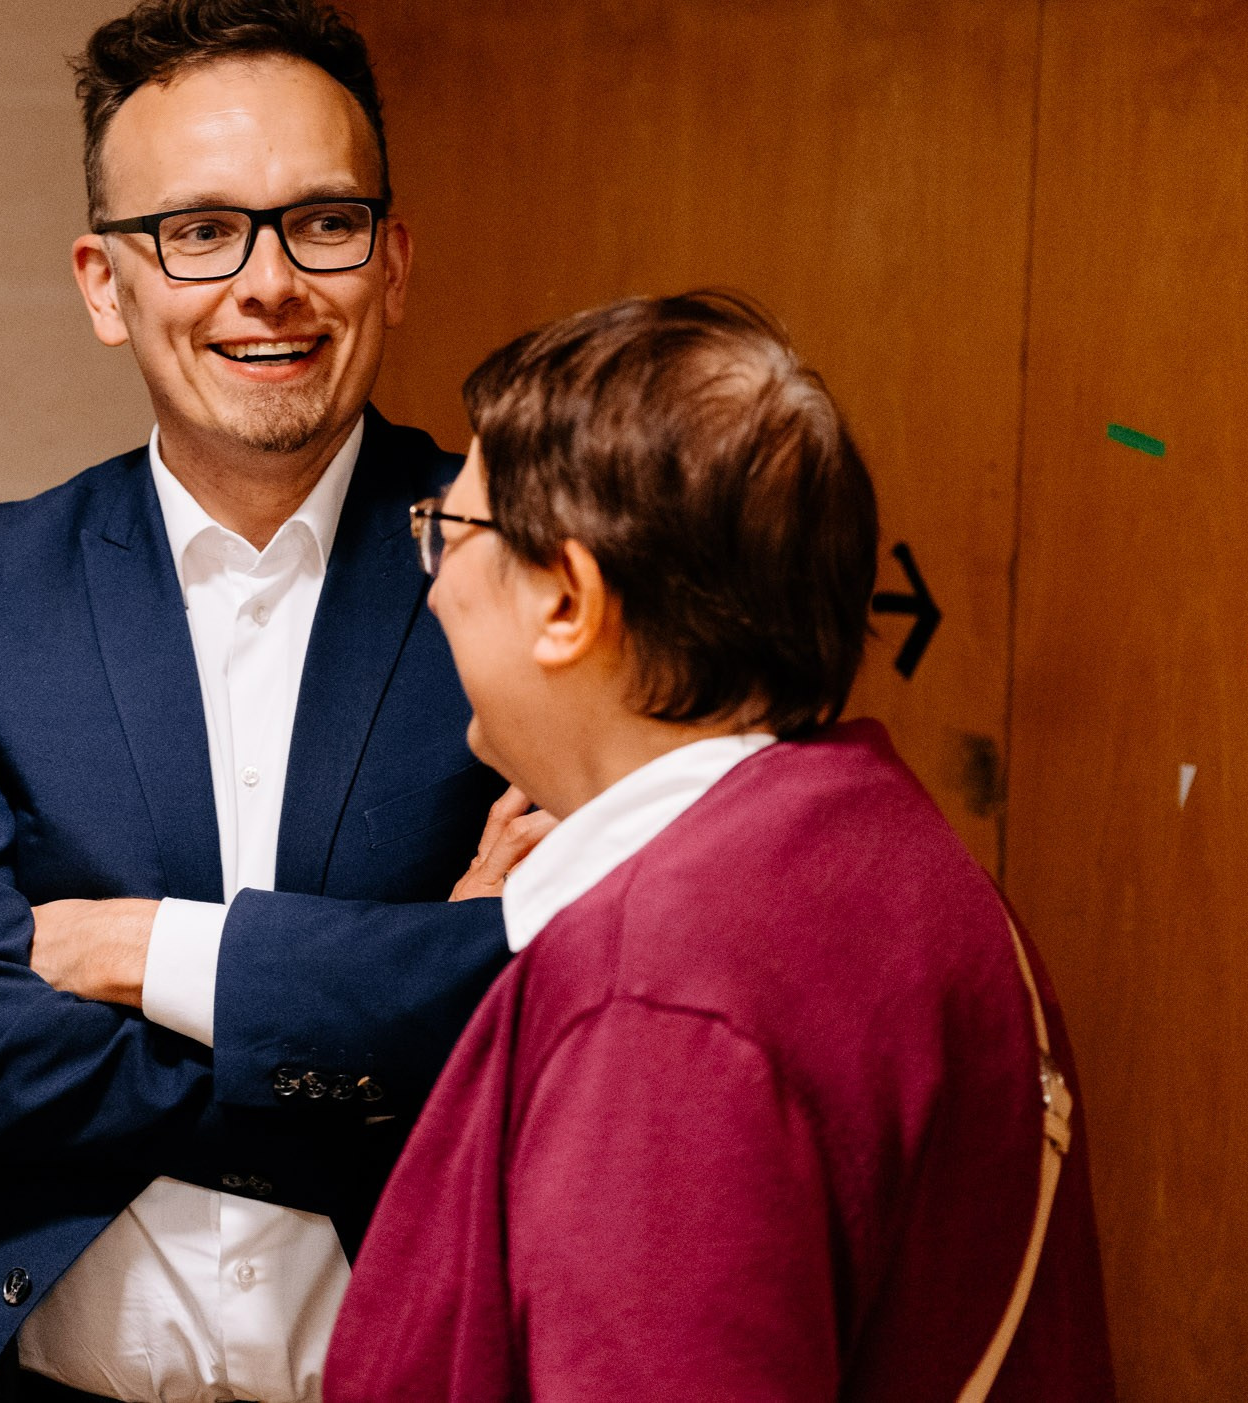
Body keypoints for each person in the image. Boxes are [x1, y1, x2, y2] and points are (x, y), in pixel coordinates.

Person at [0, 0, 553, 1403]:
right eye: (198, 232)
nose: (269, 282)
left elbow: (549, 1002)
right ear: (102, 284)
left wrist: (145, 957)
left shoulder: (532, 570)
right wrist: (385, 1019)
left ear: (392, 261)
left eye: (323, 222)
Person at [326, 292, 1116, 1401]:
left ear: (567, 600)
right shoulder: (892, 855)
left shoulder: (659, 999)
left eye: (447, 533)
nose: (438, 583)